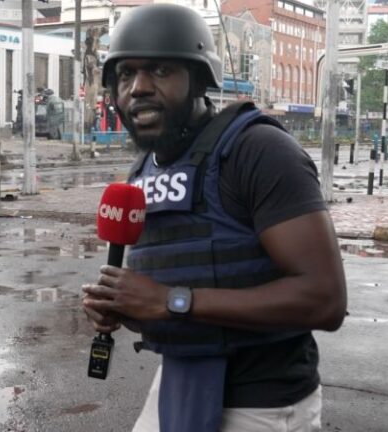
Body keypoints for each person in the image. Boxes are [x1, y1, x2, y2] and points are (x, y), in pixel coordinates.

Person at [81, 4, 347, 432]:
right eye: (125, 74)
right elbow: (175, 283)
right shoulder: (146, 169)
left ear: (199, 80)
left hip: (261, 401)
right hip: (180, 381)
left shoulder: (258, 151)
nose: (139, 88)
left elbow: (325, 301)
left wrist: (171, 301)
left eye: (161, 70)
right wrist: (126, 306)